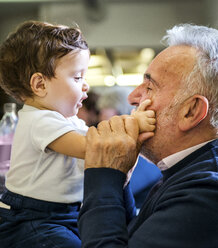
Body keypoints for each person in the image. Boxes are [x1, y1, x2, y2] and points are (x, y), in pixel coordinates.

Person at [78, 24, 218, 247]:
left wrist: (103, 174)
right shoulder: (202, 165)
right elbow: (133, 237)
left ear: (191, 111)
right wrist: (119, 178)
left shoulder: (212, 192)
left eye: (149, 87)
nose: (131, 97)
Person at [0, 21, 156, 248]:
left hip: (65, 213)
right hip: (34, 218)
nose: (86, 86)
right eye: (77, 77)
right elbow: (94, 147)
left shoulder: (68, 120)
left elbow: (98, 138)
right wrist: (133, 124)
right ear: (40, 84)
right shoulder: (39, 120)